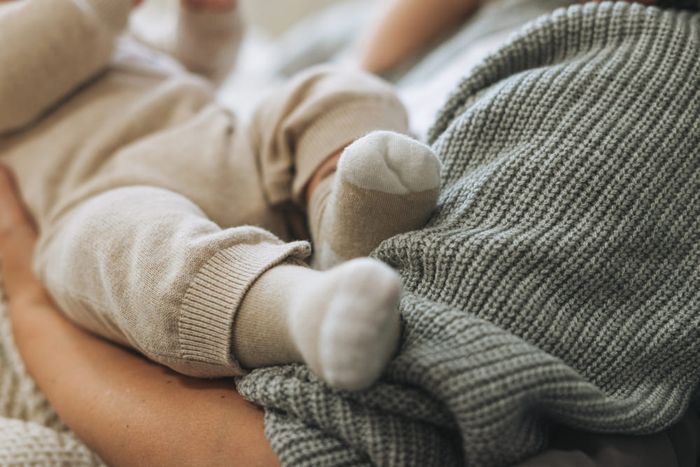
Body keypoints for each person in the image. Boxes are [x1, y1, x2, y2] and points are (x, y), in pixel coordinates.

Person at [0, 0, 443, 393]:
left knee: (335, 90)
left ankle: (347, 226)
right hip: (113, 194)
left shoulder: (105, 27)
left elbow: (193, 66)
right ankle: (303, 310)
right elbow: (29, 61)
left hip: (226, 146)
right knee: (103, 251)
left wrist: (207, 20)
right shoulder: (66, 21)